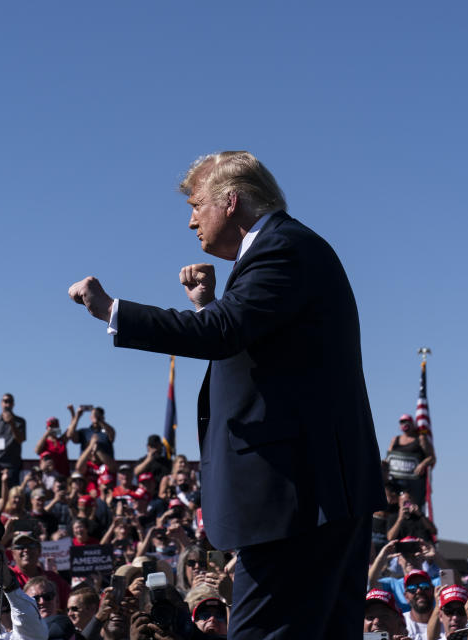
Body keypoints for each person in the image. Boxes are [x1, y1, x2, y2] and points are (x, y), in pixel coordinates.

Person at [69, 150, 385, 639]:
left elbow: (223, 333)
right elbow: (263, 352)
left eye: (197, 205)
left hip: (298, 502)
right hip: (316, 497)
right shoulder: (283, 250)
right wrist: (208, 307)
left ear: (231, 201)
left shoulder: (283, 248)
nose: (192, 221)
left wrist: (113, 310)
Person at [386, 414, 435, 508]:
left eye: (406, 421)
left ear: (412, 423)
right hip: (396, 480)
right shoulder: (395, 439)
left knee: (413, 506)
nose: (404, 424)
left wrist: (422, 465)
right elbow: (389, 458)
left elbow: (431, 457)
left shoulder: (420, 439)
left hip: (414, 482)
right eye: (402, 422)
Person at [0, 393, 27, 477]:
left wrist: (12, 424)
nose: (7, 404)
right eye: (5, 401)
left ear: (13, 404)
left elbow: (21, 440)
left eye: (10, 402)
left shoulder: (20, 421)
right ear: (1, 403)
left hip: (12, 465)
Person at [35, 415, 71, 480]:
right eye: (51, 426)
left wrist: (73, 413)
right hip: (49, 478)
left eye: (56, 426)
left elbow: (71, 429)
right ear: (47, 427)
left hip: (64, 476)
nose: (54, 429)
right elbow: (37, 451)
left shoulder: (61, 441)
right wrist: (47, 434)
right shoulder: (45, 442)